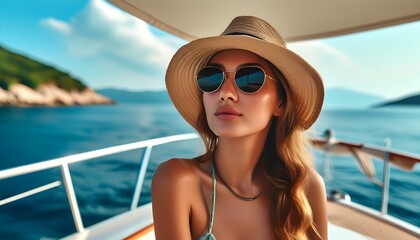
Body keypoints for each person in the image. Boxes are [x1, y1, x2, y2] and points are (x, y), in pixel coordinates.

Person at [152, 16, 328, 240]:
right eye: (212, 78)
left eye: (249, 78)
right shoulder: (177, 180)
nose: (225, 92)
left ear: (280, 103)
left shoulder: (307, 188)